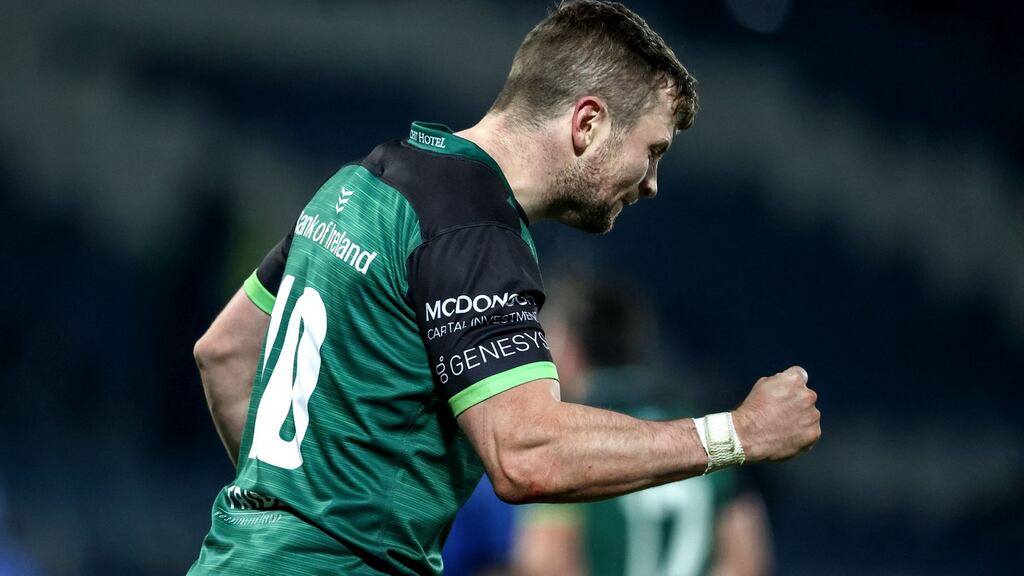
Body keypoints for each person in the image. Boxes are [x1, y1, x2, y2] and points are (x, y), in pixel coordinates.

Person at [188, 2, 821, 574]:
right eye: (651, 151)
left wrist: (296, 512)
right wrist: (737, 433)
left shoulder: (365, 180)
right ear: (589, 123)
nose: (652, 182)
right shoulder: (472, 227)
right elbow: (525, 455)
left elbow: (223, 353)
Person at [515, 275, 774, 576]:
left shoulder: (569, 444)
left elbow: (546, 564)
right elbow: (747, 564)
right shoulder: (714, 436)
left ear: (571, 349)